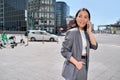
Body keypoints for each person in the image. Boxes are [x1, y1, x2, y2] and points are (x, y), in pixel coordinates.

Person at [61, 8, 98, 80]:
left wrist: (90, 32)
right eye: (80, 16)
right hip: (73, 64)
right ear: (76, 18)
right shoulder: (72, 32)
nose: (82, 19)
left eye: (85, 17)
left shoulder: (87, 34)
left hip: (84, 63)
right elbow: (64, 51)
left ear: (88, 20)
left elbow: (94, 46)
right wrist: (76, 63)